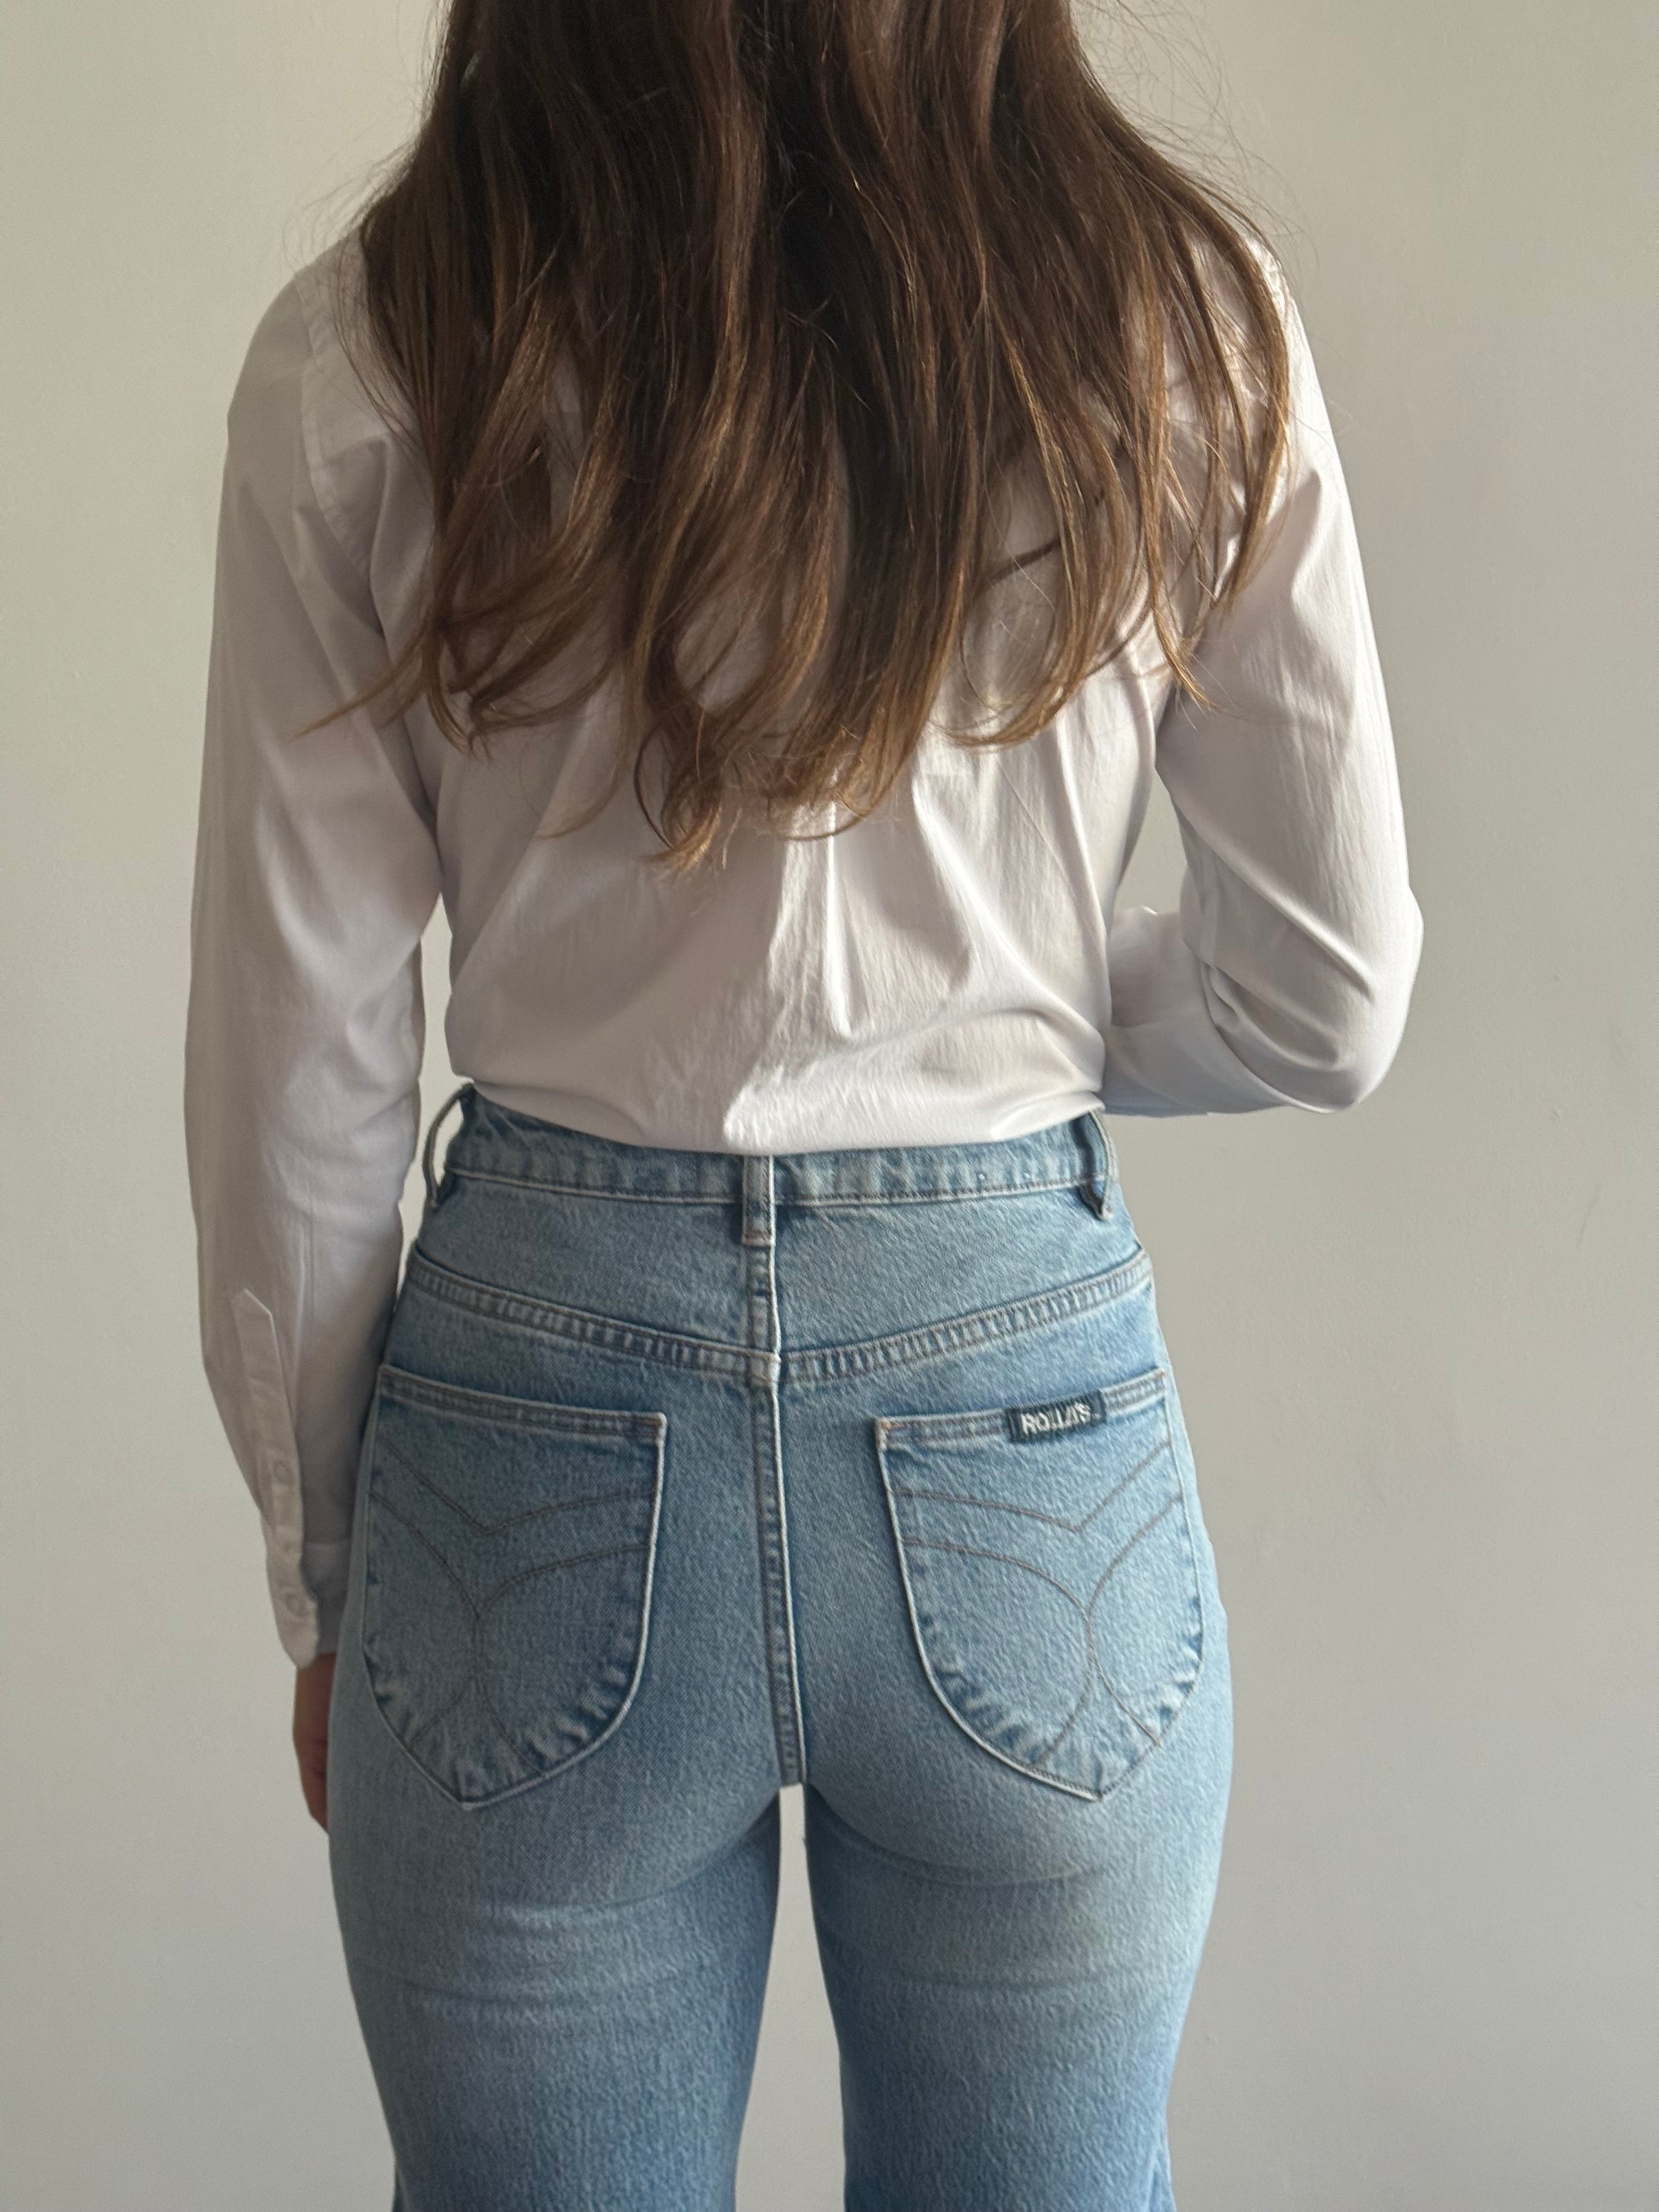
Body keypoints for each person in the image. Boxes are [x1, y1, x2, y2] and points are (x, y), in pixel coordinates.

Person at [183, 2, 1423, 2204]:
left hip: (531, 1432)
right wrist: (1010, 1026)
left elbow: (304, 1082)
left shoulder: (380, 343)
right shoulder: (1177, 320)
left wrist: (330, 1579)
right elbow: (1326, 990)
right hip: (1020, 1419)